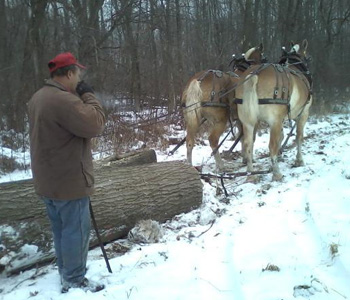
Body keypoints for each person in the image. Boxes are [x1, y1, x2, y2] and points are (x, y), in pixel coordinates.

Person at [28, 52, 106, 293]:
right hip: (68, 181)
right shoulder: (64, 100)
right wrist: (88, 94)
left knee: (61, 230)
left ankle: (66, 272)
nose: (79, 78)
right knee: (75, 231)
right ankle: (73, 278)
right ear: (70, 73)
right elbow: (96, 124)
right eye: (78, 74)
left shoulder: (38, 97)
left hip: (47, 180)